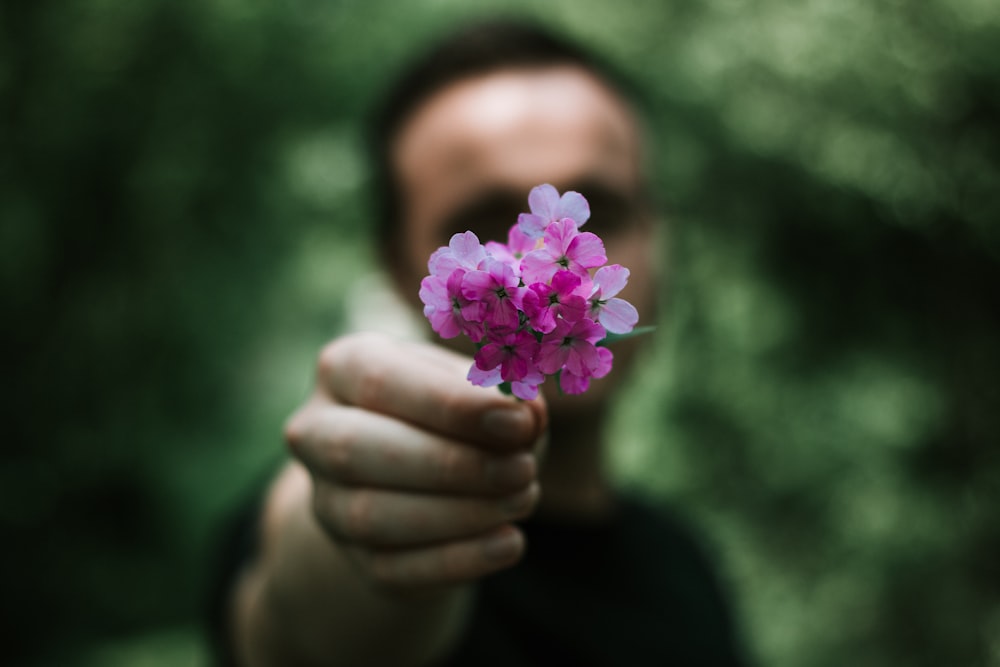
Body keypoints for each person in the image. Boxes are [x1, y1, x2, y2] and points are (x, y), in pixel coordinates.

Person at [211, 19, 746, 667]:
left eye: (597, 210)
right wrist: (345, 536)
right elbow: (314, 608)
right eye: (486, 224)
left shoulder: (684, 561)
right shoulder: (342, 499)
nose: (540, 268)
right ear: (396, 267)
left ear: (656, 235)